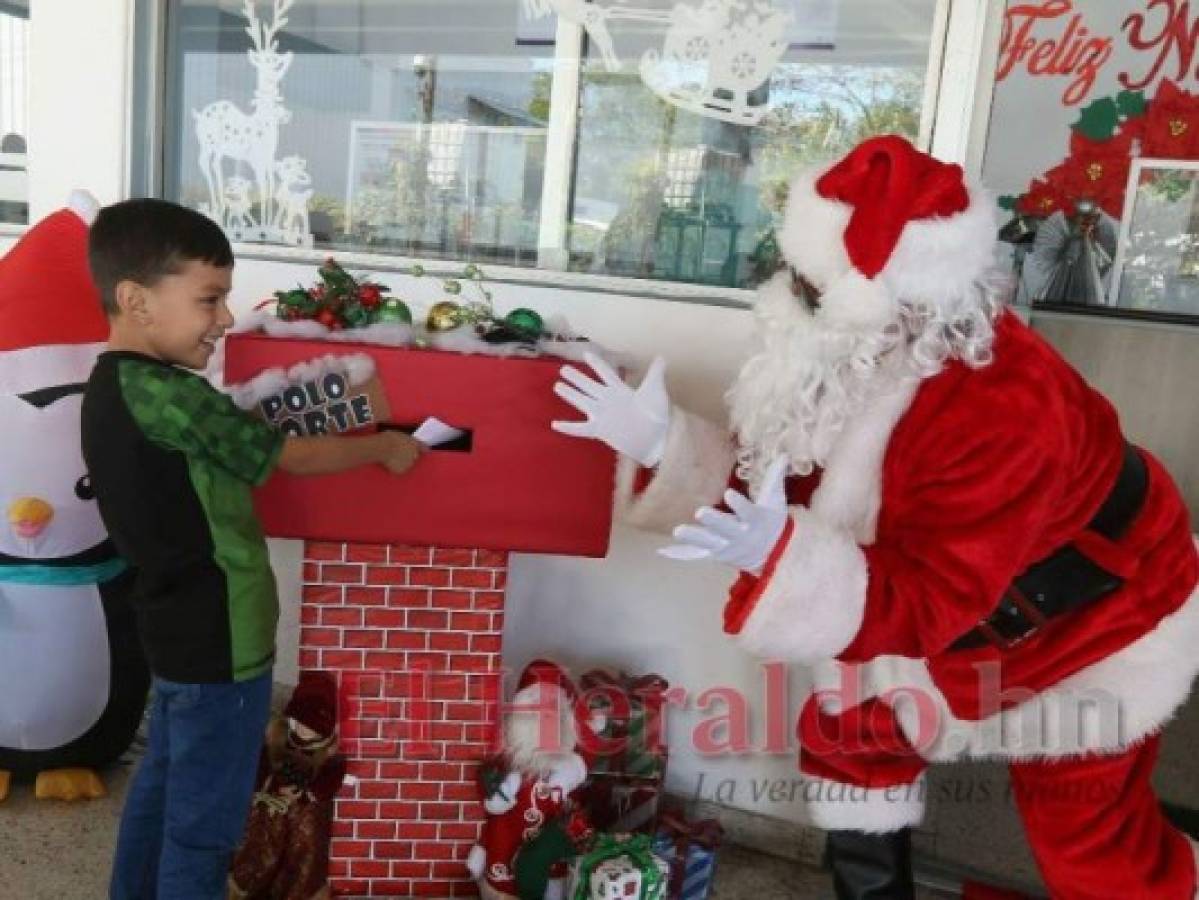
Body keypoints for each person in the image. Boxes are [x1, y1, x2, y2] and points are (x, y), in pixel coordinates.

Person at [552, 135, 1199, 898]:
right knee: (848, 740)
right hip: (932, 608)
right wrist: (665, 445)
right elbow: (778, 488)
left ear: (872, 298)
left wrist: (783, 551)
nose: (779, 298)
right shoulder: (848, 356)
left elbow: (927, 596)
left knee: (1086, 838)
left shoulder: (1004, 409)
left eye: (804, 287)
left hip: (1089, 628)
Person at [80, 198, 425, 899]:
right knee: (204, 827)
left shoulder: (113, 386)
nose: (227, 318)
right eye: (210, 298)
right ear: (136, 300)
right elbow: (283, 458)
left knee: (162, 792)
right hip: (223, 639)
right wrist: (385, 444)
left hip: (173, 632)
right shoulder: (174, 397)